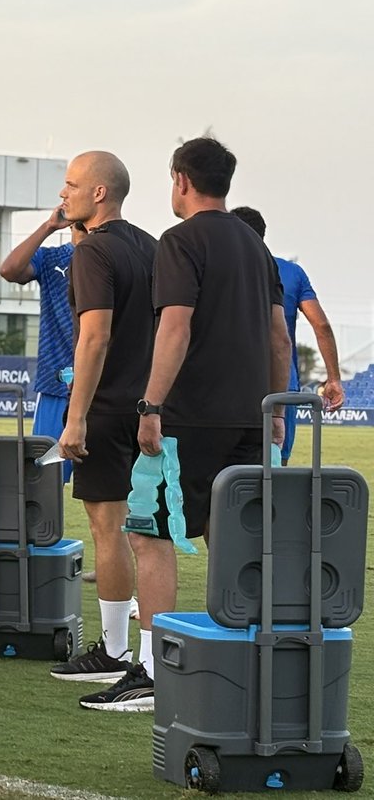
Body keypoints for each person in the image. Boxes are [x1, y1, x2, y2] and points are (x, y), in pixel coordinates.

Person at [81, 137, 291, 713]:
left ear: (180, 180)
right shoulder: (255, 245)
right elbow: (279, 335)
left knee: (149, 535)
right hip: (251, 414)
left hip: (189, 417)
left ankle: (150, 674)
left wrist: (149, 407)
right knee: (232, 538)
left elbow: (175, 327)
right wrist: (276, 410)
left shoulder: (180, 240)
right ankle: (246, 663)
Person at [41, 152, 156, 688]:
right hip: (150, 409)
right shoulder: (152, 247)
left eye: (70, 185)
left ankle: (114, 652)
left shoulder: (92, 251)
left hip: (108, 409)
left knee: (109, 530)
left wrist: (77, 417)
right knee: (149, 536)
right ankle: (153, 660)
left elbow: (96, 336)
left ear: (100, 193)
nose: (63, 195)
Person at [232, 206, 346, 461]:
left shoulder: (220, 269)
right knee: (277, 462)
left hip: (232, 383)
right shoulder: (292, 273)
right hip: (281, 384)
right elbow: (321, 326)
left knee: (227, 469)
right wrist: (334, 379)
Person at [0, 207, 81, 486]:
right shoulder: (52, 258)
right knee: (42, 485)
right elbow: (9, 269)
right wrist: (48, 227)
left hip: (106, 391)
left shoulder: (117, 253)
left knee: (110, 493)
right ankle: (47, 533)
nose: (66, 196)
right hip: (57, 386)